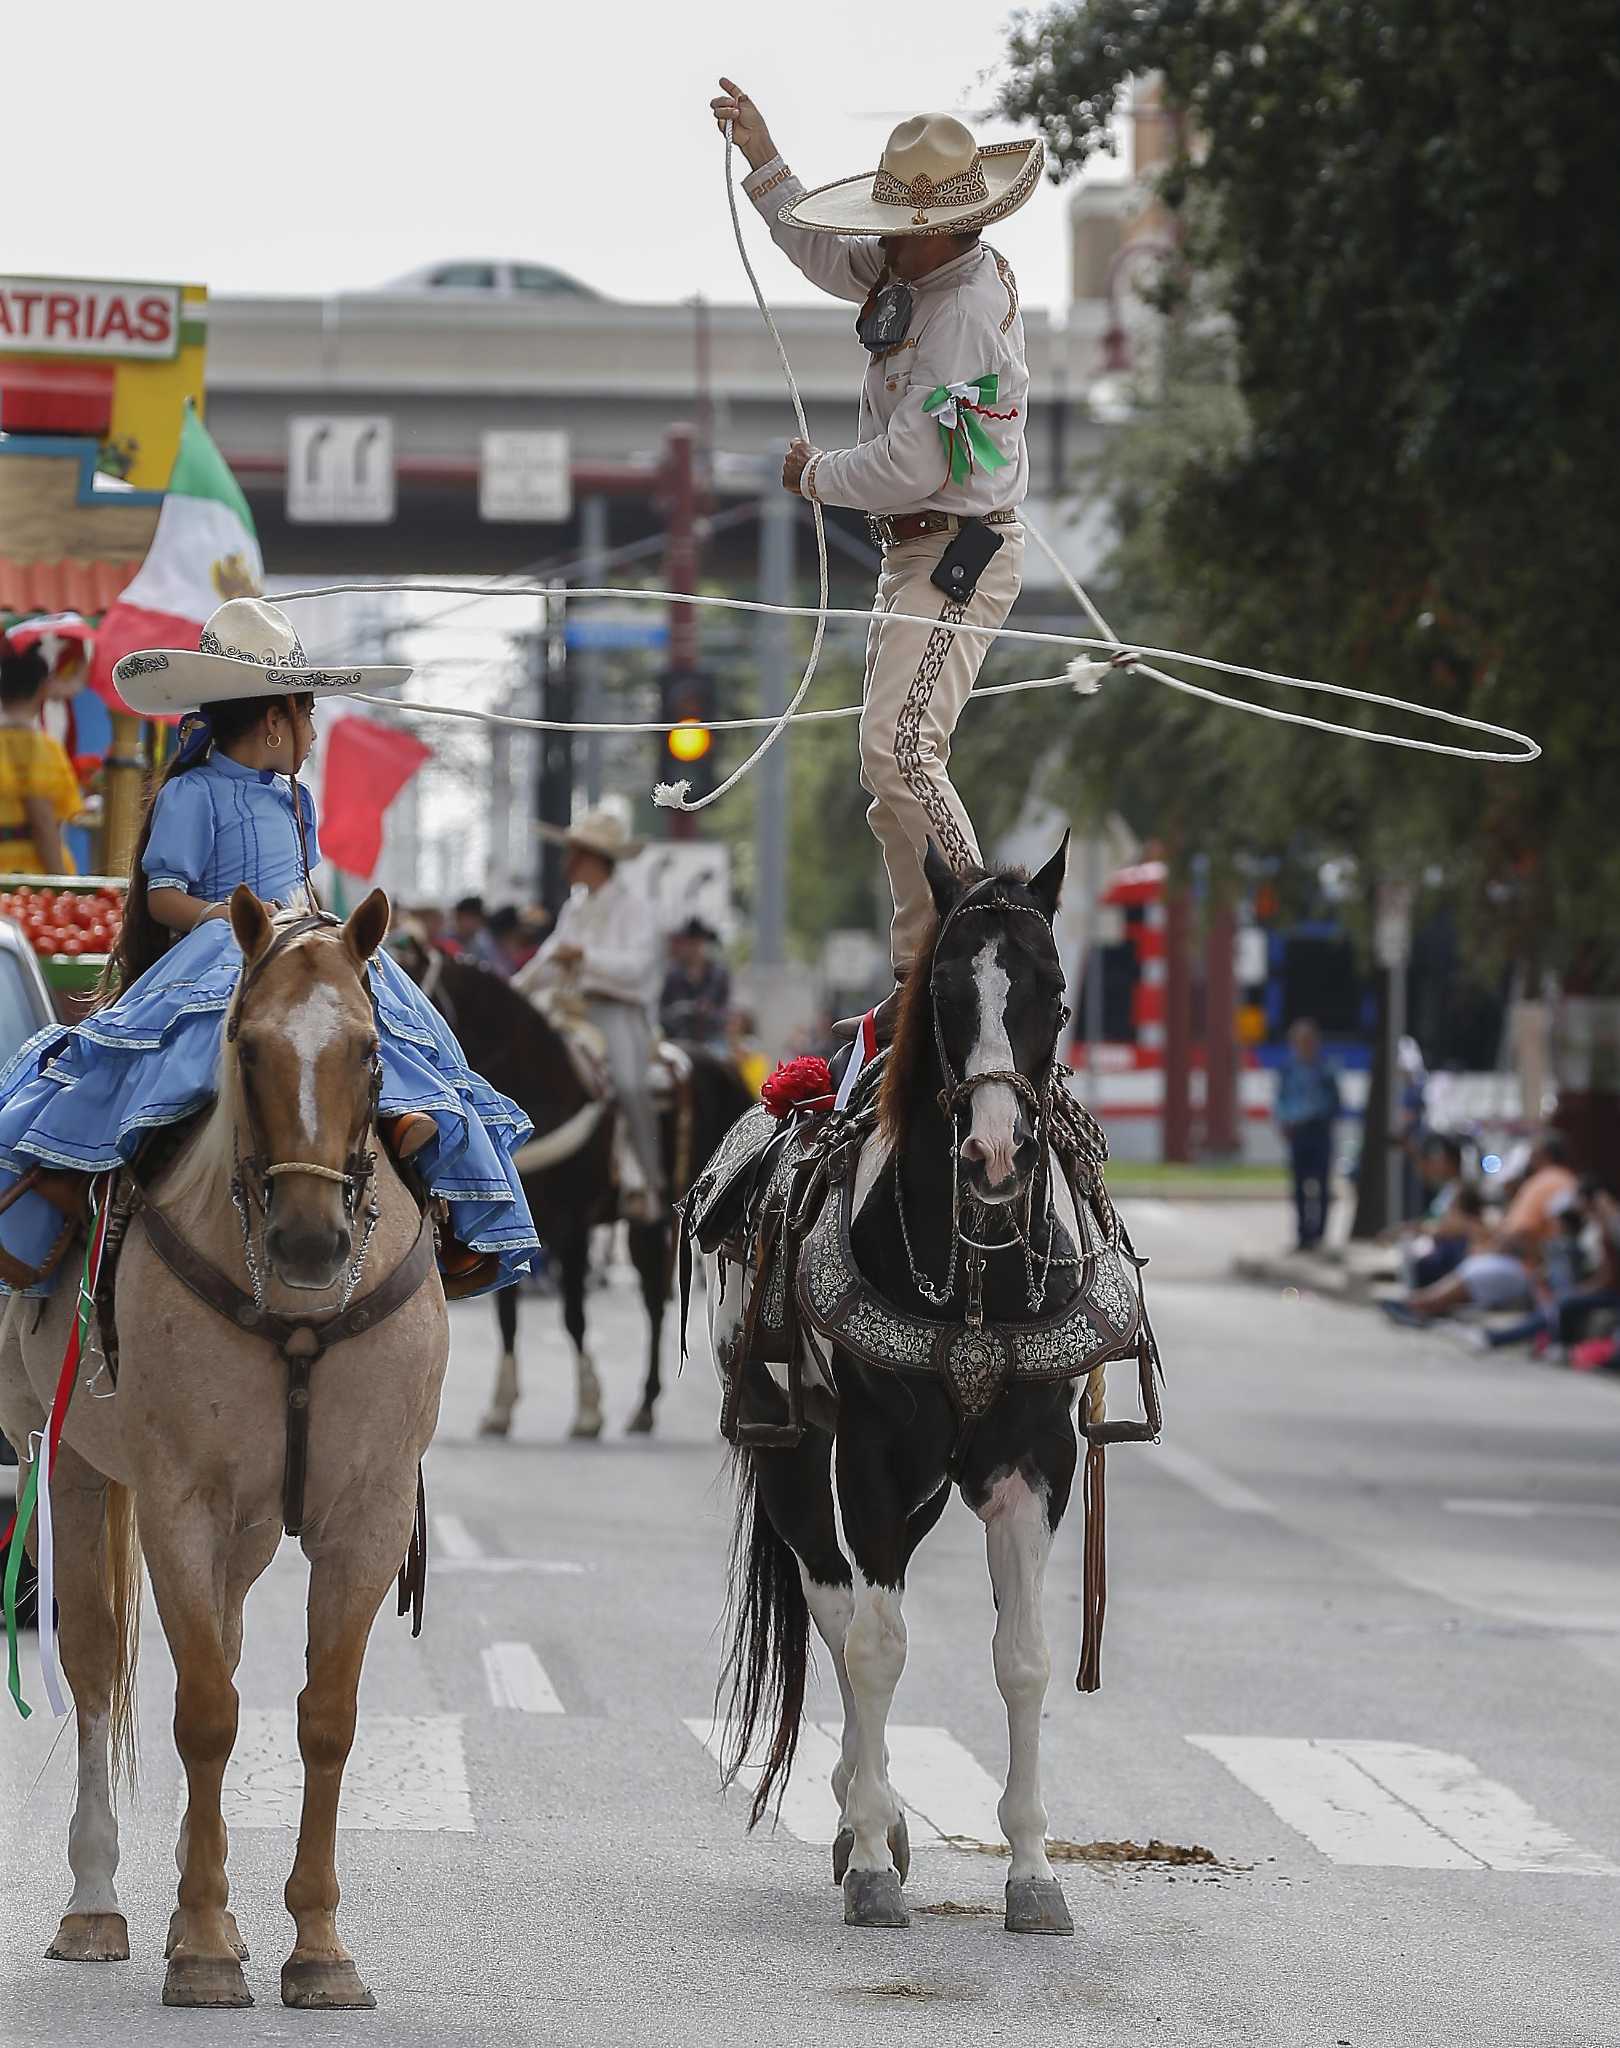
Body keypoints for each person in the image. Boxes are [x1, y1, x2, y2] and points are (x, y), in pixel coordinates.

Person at [0, 598, 538, 1298]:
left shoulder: (296, 799)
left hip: (303, 940)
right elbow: (163, 898)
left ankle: (415, 1155)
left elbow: (305, 888)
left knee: (384, 1030)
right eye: (309, 715)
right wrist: (224, 915)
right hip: (224, 945)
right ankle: (92, 1176)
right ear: (277, 717)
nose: (313, 734)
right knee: (171, 1057)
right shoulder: (190, 794)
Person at [711, 80, 1042, 1040]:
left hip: (959, 553)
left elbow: (915, 464)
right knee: (885, 763)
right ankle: (918, 961)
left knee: (902, 750)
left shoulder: (966, 310)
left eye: (899, 223)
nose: (883, 240)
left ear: (944, 227)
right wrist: (764, 161)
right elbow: (821, 251)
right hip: (921, 556)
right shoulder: (916, 274)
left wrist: (817, 475)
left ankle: (978, 931)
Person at [515, 809, 663, 1221]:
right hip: (567, 1011)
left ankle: (645, 1177)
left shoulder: (637, 909)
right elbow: (545, 963)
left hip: (618, 1013)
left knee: (631, 1084)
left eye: (575, 854)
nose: (567, 863)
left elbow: (638, 968)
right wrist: (513, 993)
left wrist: (585, 957)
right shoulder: (575, 908)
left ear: (595, 859)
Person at [1382, 1128, 1578, 1327]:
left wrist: (1495, 1247)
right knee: (1471, 1264)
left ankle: (1420, 1306)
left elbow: (1521, 1232)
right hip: (1529, 1263)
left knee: (1475, 1268)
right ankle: (1420, 1304)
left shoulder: (1547, 1181)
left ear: (1543, 1155)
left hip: (1527, 1267)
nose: (1529, 1158)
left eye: (1533, 1152)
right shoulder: (1558, 1180)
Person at [0, 638, 82, 874]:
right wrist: (62, 884)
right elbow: (43, 823)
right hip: (25, 874)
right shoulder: (42, 748)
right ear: (42, 688)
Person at [1275, 1018, 1342, 1252]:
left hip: (1319, 1129)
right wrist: (1283, 1121)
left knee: (1322, 1185)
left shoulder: (1325, 1068)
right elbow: (1281, 1098)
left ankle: (1319, 1234)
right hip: (1298, 1130)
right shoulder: (1289, 1068)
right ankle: (1303, 1234)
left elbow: (1335, 1101)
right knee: (1299, 1185)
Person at [660, 916, 731, 1051]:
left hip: (712, 1039)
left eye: (698, 942)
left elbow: (726, 1012)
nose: (693, 948)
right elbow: (663, 1012)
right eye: (690, 942)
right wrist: (681, 1012)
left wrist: (709, 1012)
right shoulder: (672, 975)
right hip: (679, 1039)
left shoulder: (719, 975)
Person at [448, 894, 504, 972]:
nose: (475, 923)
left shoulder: (483, 944)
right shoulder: (445, 942)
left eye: (478, 919)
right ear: (458, 917)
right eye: (470, 917)